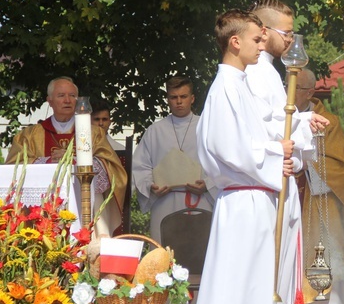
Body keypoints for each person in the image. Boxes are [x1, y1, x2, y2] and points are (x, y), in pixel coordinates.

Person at [196, 9, 327, 304]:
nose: (262, 44)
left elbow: (258, 134)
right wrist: (275, 153)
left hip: (255, 192)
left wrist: (280, 145)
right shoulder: (225, 88)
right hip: (241, 196)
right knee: (234, 278)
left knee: (252, 280)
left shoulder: (238, 84)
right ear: (235, 42)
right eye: (256, 38)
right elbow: (228, 147)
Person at [243, 0, 327, 304]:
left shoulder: (271, 71)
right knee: (271, 268)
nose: (291, 41)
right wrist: (300, 126)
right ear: (265, 31)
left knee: (281, 268)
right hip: (265, 181)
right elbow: (262, 129)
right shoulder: (255, 72)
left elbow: (279, 121)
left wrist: (299, 131)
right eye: (286, 33)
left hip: (280, 177)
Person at [294, 68, 344, 304]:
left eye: (296, 88)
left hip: (318, 205)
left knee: (324, 261)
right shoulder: (279, 119)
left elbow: (340, 167)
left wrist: (302, 166)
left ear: (310, 92)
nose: (288, 93)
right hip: (289, 204)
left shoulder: (329, 121)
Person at [6, 77, 127, 237]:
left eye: (72, 96)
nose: (68, 100)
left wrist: (76, 161)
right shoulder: (30, 135)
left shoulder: (93, 133)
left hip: (85, 202)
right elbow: (14, 167)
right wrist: (48, 162)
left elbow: (111, 168)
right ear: (49, 101)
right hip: (44, 205)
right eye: (61, 95)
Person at [132, 76, 215, 243]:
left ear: (192, 98)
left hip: (200, 201)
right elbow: (140, 166)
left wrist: (208, 184)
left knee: (199, 254)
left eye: (183, 97)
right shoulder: (155, 131)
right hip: (165, 202)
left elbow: (222, 164)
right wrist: (150, 186)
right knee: (164, 255)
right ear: (168, 99)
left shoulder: (207, 128)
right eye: (173, 97)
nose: (179, 102)